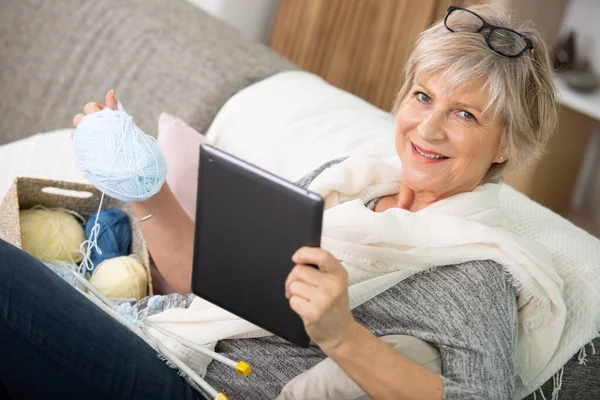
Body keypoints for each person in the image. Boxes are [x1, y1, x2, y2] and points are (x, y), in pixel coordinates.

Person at [0, 4, 559, 400]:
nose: (428, 128)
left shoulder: (477, 272)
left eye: (465, 114)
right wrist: (146, 190)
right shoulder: (343, 188)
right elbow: (204, 285)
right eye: (423, 96)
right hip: (154, 339)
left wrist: (342, 335)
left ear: (506, 143)